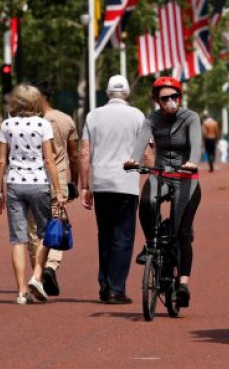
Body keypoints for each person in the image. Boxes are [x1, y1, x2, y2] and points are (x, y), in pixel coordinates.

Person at [125, 76, 201, 309]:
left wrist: (192, 161)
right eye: (165, 97)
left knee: (181, 232)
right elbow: (141, 142)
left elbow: (196, 143)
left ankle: (183, 285)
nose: (171, 101)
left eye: (174, 96)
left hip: (186, 177)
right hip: (161, 173)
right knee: (146, 203)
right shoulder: (152, 119)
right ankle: (151, 244)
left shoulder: (190, 117)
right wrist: (133, 159)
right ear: (156, 100)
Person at [0, 84, 65, 304]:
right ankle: (36, 275)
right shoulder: (43, 124)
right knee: (45, 233)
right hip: (39, 183)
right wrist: (59, 190)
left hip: (15, 183)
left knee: (18, 238)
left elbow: (2, 160)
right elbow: (49, 159)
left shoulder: (6, 125)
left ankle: (21, 291)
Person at [79, 75, 145, 304]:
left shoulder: (93, 115)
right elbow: (145, 151)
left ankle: (105, 284)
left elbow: (85, 153)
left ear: (107, 93)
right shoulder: (137, 116)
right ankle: (116, 288)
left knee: (105, 234)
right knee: (123, 236)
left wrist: (84, 186)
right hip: (126, 182)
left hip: (101, 182)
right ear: (127, 93)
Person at [26, 80, 79, 297]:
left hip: (32, 180)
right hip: (58, 180)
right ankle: (50, 267)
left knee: (34, 231)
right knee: (56, 224)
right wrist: (73, 181)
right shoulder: (65, 120)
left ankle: (37, 275)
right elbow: (74, 154)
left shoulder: (24, 122)